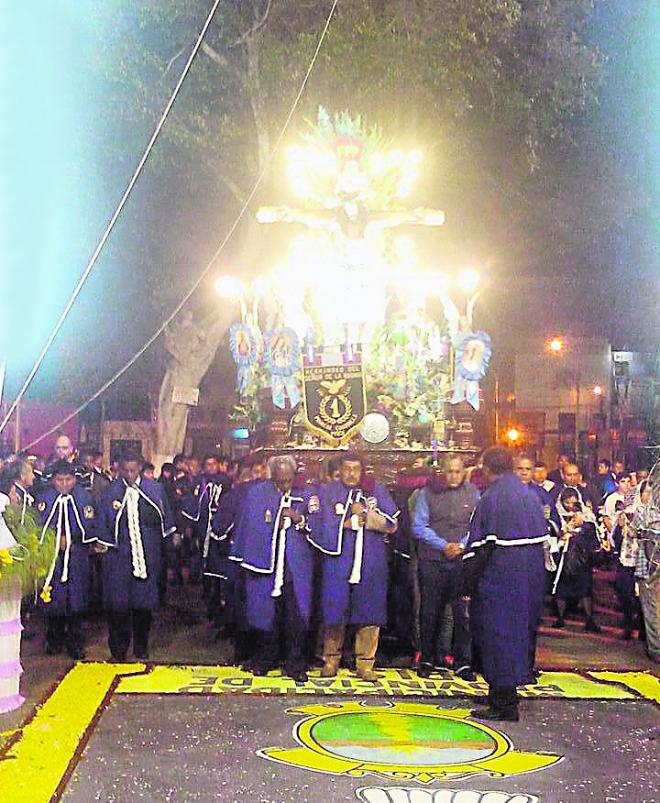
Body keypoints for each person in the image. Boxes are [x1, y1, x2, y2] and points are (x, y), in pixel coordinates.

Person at [462, 447, 548, 722]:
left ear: (488, 469)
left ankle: (503, 704)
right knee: (518, 638)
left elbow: (479, 549)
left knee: (496, 639)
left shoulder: (492, 498)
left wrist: (467, 584)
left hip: (499, 583)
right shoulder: (530, 495)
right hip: (530, 582)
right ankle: (504, 692)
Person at [312, 453, 399, 681]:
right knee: (335, 609)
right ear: (340, 470)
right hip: (339, 563)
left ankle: (365, 664)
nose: (351, 473)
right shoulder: (327, 492)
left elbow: (391, 523)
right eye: (347, 468)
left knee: (369, 612)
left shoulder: (375, 491)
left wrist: (365, 514)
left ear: (362, 471)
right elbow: (318, 525)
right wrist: (346, 524)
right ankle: (330, 659)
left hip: (370, 562)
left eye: (356, 469)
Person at [230, 455, 317, 682]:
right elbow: (250, 526)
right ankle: (264, 660)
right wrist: (274, 521)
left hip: (295, 569)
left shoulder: (307, 494)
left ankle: (295, 664)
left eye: (288, 480)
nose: (284, 486)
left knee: (295, 618)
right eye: (280, 481)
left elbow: (319, 527)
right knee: (265, 614)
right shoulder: (257, 494)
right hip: (265, 566)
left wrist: (299, 519)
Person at [96, 452, 175, 660]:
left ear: (140, 467)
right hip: (118, 558)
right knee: (118, 606)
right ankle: (119, 650)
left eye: (133, 470)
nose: (130, 475)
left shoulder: (154, 490)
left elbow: (165, 523)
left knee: (143, 605)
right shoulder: (110, 492)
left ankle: (141, 646)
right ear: (120, 469)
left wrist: (166, 551)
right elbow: (104, 525)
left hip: (147, 556)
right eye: (126, 471)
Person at [412, 456, 479, 680]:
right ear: (442, 472)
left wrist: (460, 546)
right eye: (449, 471)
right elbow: (419, 527)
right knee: (430, 612)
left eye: (457, 472)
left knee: (462, 614)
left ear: (464, 473)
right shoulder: (426, 493)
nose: (453, 476)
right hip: (432, 560)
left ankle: (463, 662)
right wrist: (443, 546)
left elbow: (477, 525)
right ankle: (428, 658)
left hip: (461, 562)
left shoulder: (473, 493)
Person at [36, 460, 96, 659]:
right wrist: (55, 540)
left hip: (76, 556)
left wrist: (73, 539)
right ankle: (54, 639)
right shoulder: (45, 498)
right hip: (53, 557)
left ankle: (75, 641)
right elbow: (39, 527)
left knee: (75, 599)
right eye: (59, 480)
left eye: (68, 480)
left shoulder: (83, 498)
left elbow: (90, 525)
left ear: (74, 479)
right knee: (54, 597)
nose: (63, 484)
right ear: (53, 479)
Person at [515, 454, 561, 681]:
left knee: (531, 617)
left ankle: (527, 665)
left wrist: (546, 521)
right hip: (511, 563)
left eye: (527, 469)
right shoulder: (505, 494)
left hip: (534, 562)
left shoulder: (541, 495)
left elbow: (555, 525)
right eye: (520, 468)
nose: (524, 472)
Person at [552, 487, 603, 633]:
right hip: (564, 556)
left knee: (585, 588)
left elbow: (593, 531)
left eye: (573, 503)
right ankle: (560, 618)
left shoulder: (585, 514)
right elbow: (553, 530)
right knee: (562, 588)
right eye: (567, 503)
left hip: (581, 557)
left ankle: (589, 619)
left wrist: (581, 526)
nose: (569, 506)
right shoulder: (557, 514)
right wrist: (563, 534)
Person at [634, 480, 660, 663]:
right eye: (647, 493)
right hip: (647, 568)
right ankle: (656, 648)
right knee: (651, 609)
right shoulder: (639, 513)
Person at [612, 502, 641, 640]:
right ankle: (628, 623)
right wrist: (620, 526)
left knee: (642, 597)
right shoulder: (629, 512)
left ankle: (643, 627)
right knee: (625, 591)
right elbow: (616, 540)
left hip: (644, 560)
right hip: (626, 560)